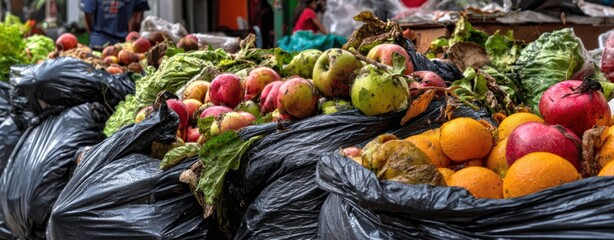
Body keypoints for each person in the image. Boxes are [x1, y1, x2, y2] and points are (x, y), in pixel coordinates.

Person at [81, 0, 150, 50]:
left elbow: (88, 14)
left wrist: (92, 33)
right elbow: (136, 19)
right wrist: (131, 39)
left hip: (99, 40)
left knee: (96, 66)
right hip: (125, 42)